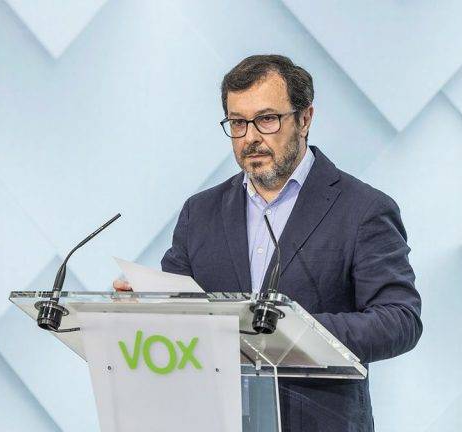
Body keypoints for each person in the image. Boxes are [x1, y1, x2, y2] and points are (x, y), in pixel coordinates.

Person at [114, 54, 422, 432]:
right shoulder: (200, 212)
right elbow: (180, 313)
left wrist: (289, 331)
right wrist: (142, 308)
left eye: (267, 119)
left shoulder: (363, 209)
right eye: (238, 123)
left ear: (305, 118)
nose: (251, 138)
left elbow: (399, 320)